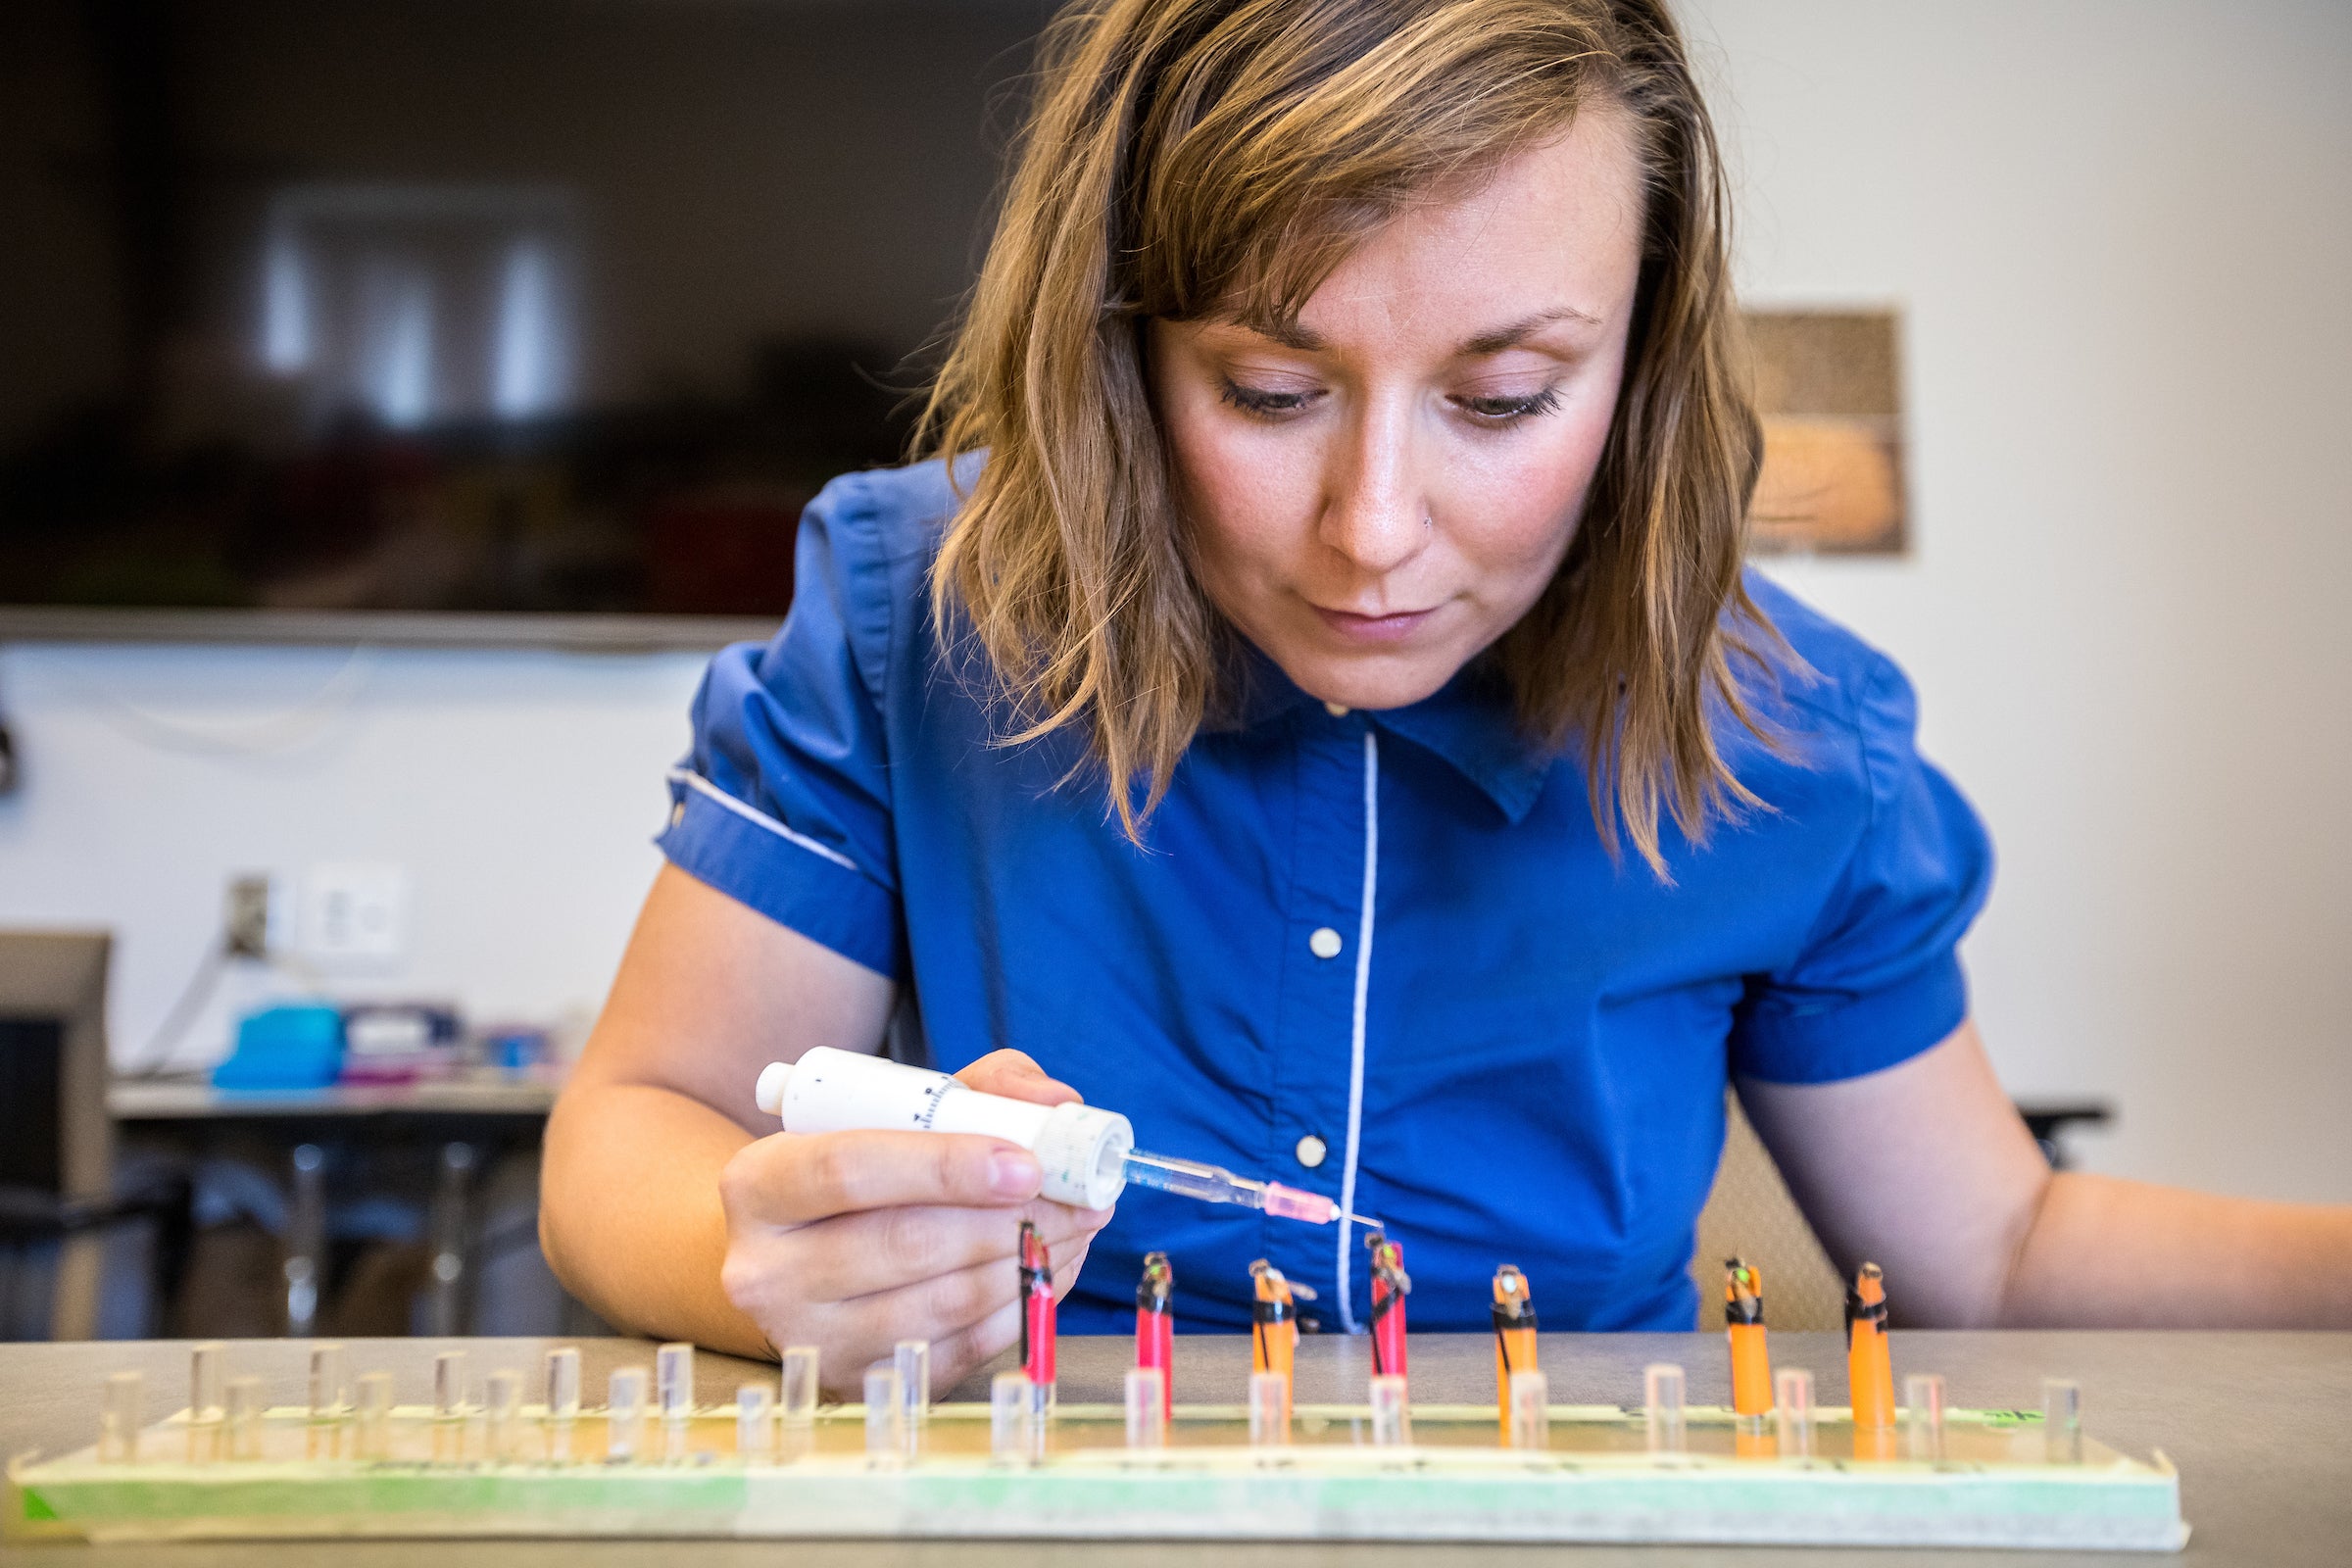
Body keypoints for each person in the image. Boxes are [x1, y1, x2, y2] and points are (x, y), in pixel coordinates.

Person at [540, 0, 2351, 1391]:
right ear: (1118, 354)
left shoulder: (1798, 743)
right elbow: (636, 1121)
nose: (1376, 533)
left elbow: (2006, 1253)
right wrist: (753, 1264)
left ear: (1636, 363)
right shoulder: (910, 619)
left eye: (1500, 401)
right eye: (1267, 390)